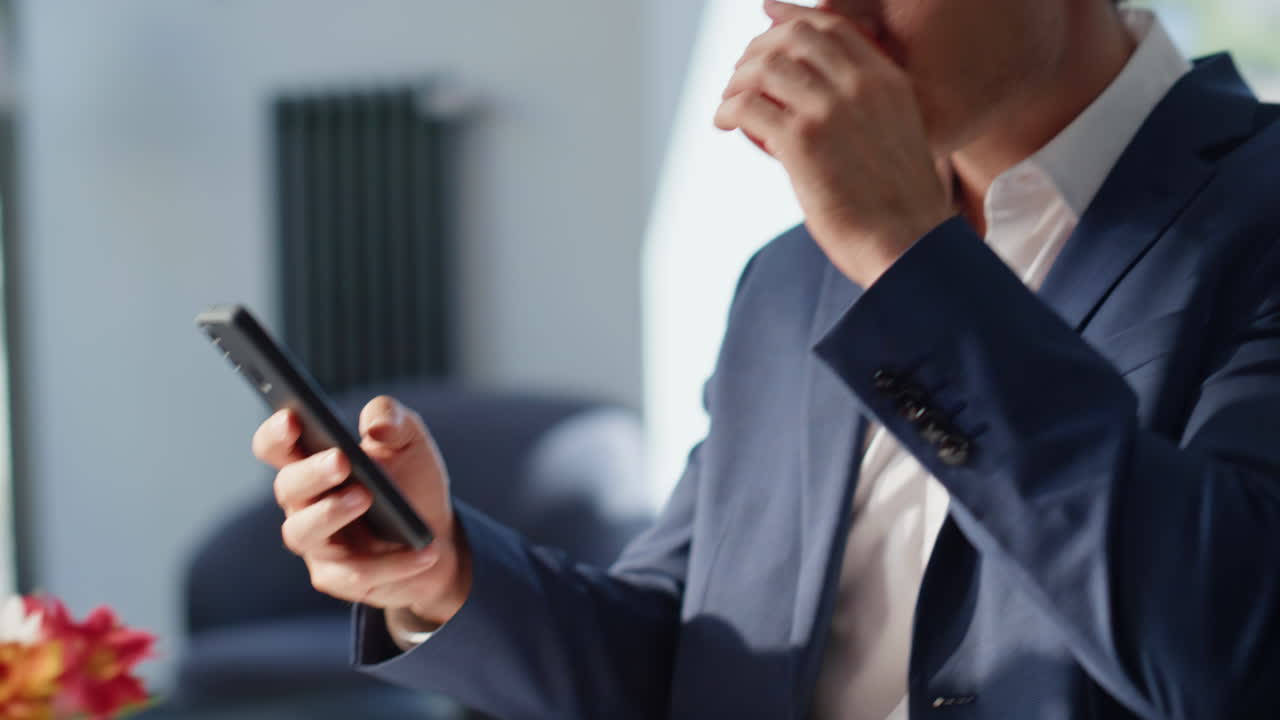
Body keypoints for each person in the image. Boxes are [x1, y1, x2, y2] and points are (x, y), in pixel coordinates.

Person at [252, 0, 1280, 717]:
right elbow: (687, 663)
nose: (831, 13)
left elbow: (1226, 651)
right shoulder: (788, 280)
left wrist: (901, 261)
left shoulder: (1253, 208)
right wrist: (443, 572)